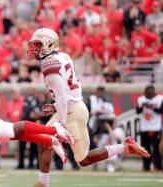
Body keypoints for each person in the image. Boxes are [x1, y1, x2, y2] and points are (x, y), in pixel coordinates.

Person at [26, 28, 150, 187]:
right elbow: (66, 92)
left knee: (83, 159)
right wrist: (57, 107)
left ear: (49, 45)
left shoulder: (49, 64)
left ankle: (125, 146)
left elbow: (63, 96)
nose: (35, 49)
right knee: (42, 139)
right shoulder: (62, 56)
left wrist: (61, 124)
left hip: (73, 112)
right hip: (72, 107)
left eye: (38, 44)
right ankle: (43, 182)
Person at [136, 85, 163, 171]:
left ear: (154, 93)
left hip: (155, 127)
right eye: (147, 94)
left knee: (156, 149)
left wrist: (152, 107)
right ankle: (146, 166)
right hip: (145, 127)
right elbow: (137, 111)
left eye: (150, 94)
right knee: (144, 149)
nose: (149, 96)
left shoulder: (160, 99)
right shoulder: (141, 99)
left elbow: (161, 111)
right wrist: (142, 106)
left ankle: (157, 166)